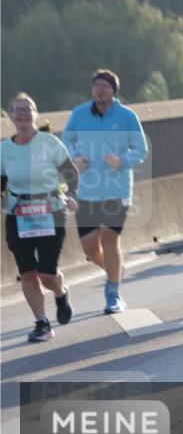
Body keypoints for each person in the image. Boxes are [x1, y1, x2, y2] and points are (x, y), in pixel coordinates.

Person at [62, 70, 149, 314]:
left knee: (110, 238)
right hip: (86, 190)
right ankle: (114, 272)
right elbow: (66, 140)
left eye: (105, 86)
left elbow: (141, 150)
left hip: (117, 189)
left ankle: (113, 293)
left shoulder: (127, 116)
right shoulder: (79, 114)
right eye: (97, 85)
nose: (100, 90)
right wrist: (74, 157)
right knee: (89, 247)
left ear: (114, 90)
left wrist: (122, 160)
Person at [2, 93, 78, 342]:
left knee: (46, 274)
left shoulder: (49, 143)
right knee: (27, 272)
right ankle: (42, 323)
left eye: (27, 109)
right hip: (18, 213)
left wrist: (72, 195)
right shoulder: (4, 148)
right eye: (18, 110)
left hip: (50, 210)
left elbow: (70, 172)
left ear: (36, 114)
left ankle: (59, 292)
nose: (22, 114)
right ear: (11, 116)